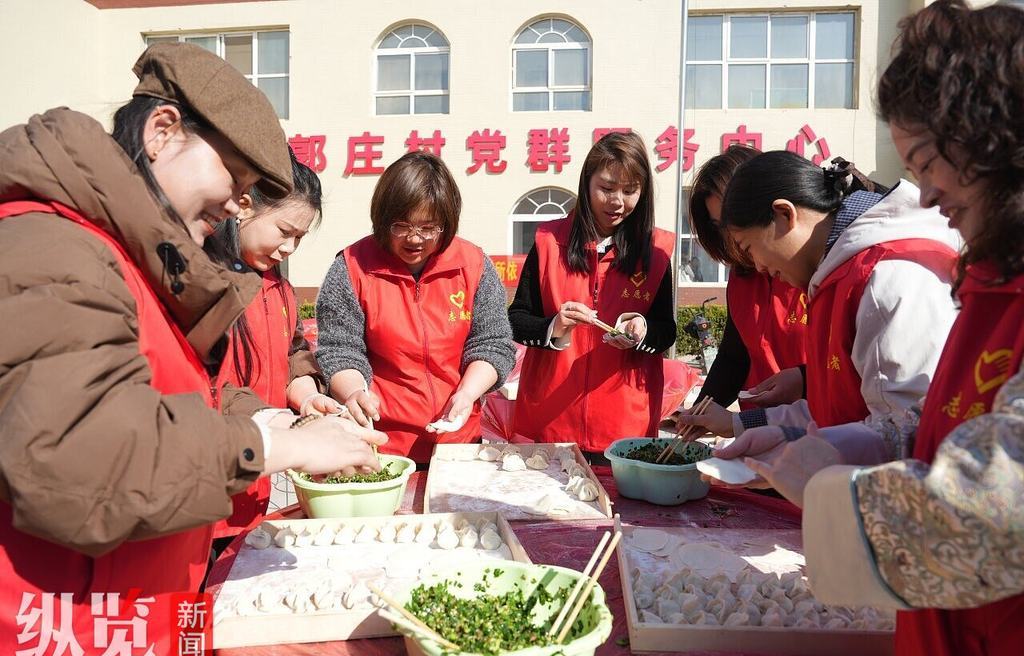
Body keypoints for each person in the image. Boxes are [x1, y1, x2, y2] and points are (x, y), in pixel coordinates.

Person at [0, 43, 384, 656]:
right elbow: (76, 463)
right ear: (162, 131)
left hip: (133, 620)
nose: (238, 207)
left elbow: (169, 396)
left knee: (194, 651)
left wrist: (279, 417)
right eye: (235, 181)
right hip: (65, 645)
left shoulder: (131, 259)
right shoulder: (54, 245)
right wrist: (268, 446)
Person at [734, 2, 1024, 656]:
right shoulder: (989, 279)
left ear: (996, 144)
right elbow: (938, 427)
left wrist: (841, 494)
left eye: (928, 161)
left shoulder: (896, 273)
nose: (926, 195)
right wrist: (838, 443)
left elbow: (1000, 513)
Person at [678, 149, 960, 466]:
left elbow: (905, 437)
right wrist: (743, 426)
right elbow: (829, 412)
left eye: (749, 246)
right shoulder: (829, 279)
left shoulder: (884, 276)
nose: (756, 264)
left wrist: (803, 456)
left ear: (785, 215)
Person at [316, 151, 515, 463]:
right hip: (382, 441)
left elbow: (492, 344)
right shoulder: (352, 267)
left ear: (447, 223)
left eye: (429, 227)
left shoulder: (473, 264)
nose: (415, 238)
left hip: (458, 440)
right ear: (382, 220)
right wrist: (355, 393)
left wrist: (466, 394)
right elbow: (340, 350)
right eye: (401, 225)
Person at [508, 132, 677, 458]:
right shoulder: (548, 240)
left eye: (630, 191)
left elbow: (666, 330)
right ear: (587, 183)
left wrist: (641, 330)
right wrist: (554, 326)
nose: (617, 201)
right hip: (551, 418)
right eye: (607, 188)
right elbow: (517, 319)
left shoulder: (655, 251)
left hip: (626, 423)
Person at [205, 151, 345, 541]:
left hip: (258, 474)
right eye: (285, 231)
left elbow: (292, 356)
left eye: (299, 238)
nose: (289, 249)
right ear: (244, 206)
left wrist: (306, 398)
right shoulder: (204, 283)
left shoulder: (278, 286)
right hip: (208, 487)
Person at [687, 145, 808, 411]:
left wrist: (804, 380)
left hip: (818, 433)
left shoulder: (811, 272)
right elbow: (735, 355)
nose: (733, 239)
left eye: (734, 223)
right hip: (758, 432)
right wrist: (697, 413)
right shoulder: (742, 277)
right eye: (719, 227)